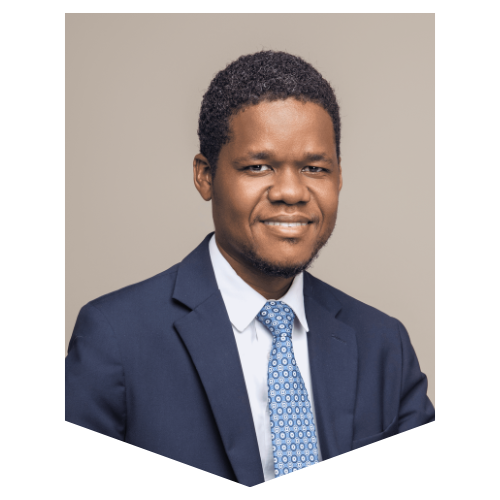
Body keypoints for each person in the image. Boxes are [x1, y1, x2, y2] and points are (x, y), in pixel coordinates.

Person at [65, 50, 435, 486]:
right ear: (206, 176)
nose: (291, 191)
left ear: (338, 178)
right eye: (258, 167)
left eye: (314, 168)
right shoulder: (116, 338)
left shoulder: (383, 344)